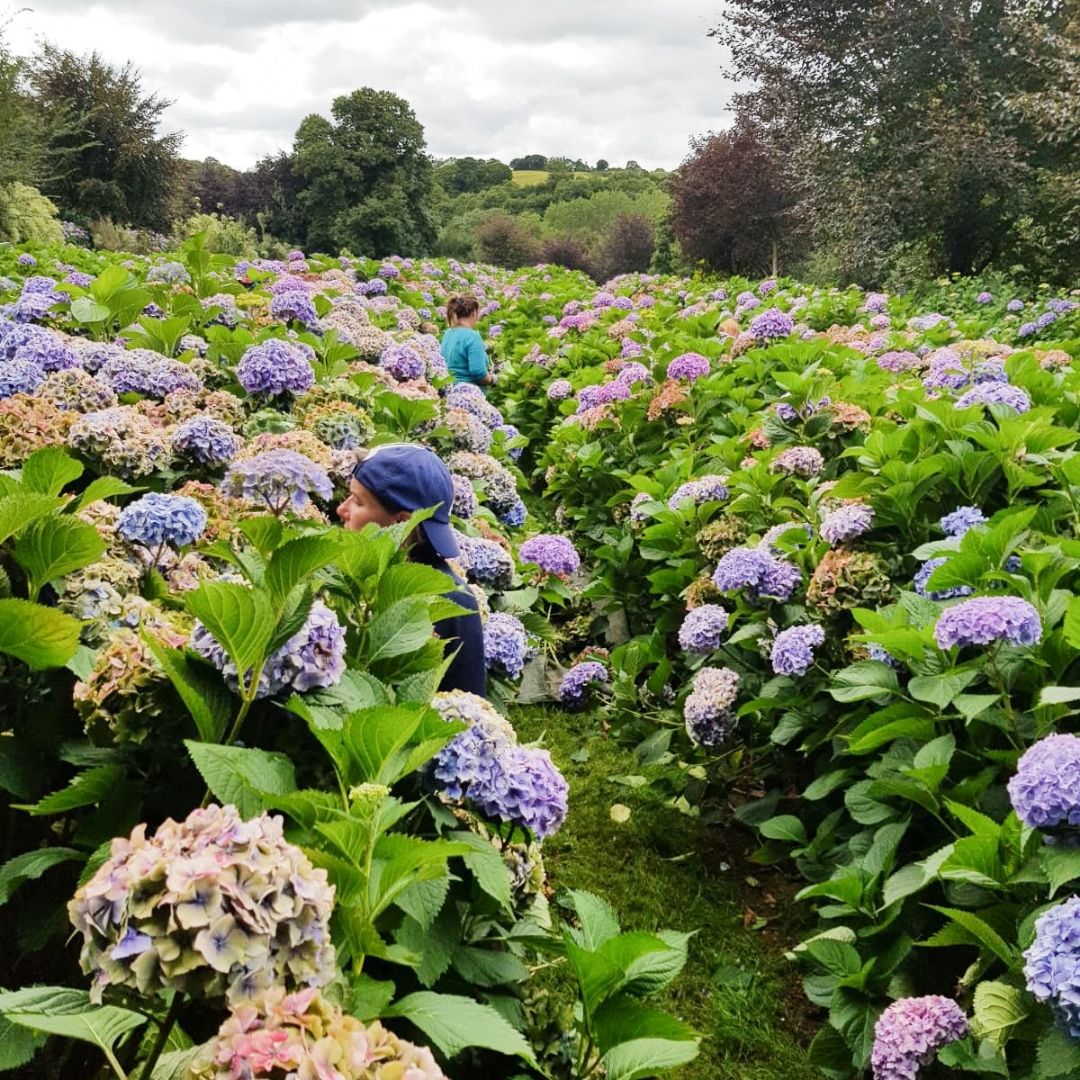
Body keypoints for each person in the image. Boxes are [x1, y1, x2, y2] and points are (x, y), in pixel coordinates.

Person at [336, 444, 486, 696]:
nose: (341, 509)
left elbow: (468, 709)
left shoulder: (453, 601)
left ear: (403, 522)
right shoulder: (343, 568)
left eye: (358, 502)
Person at [441, 295, 495, 391]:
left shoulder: (447, 333)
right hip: (468, 394)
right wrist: (493, 380)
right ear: (474, 313)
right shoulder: (472, 336)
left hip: (449, 391)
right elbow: (479, 372)